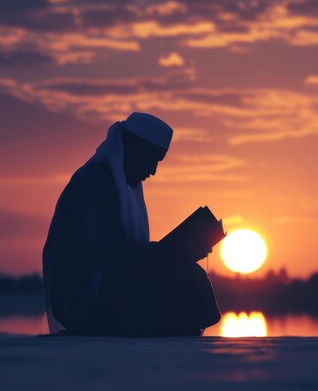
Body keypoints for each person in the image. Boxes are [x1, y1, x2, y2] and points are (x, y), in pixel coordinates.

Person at [42, 112, 221, 336]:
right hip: (81, 296)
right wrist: (165, 252)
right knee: (184, 276)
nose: (153, 171)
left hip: (105, 284)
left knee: (188, 274)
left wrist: (176, 251)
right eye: (152, 159)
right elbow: (106, 250)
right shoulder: (94, 183)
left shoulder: (113, 185)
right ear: (133, 148)